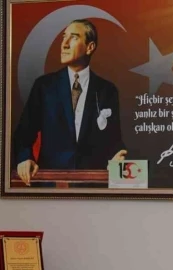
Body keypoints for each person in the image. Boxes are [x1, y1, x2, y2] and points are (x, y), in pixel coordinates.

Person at [13, 19, 127, 185]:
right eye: (63, 37)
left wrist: (118, 156)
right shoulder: (44, 86)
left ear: (90, 47)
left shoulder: (108, 91)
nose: (64, 44)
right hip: (50, 186)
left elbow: (114, 141)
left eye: (73, 37)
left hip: (93, 187)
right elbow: (24, 134)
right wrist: (24, 158)